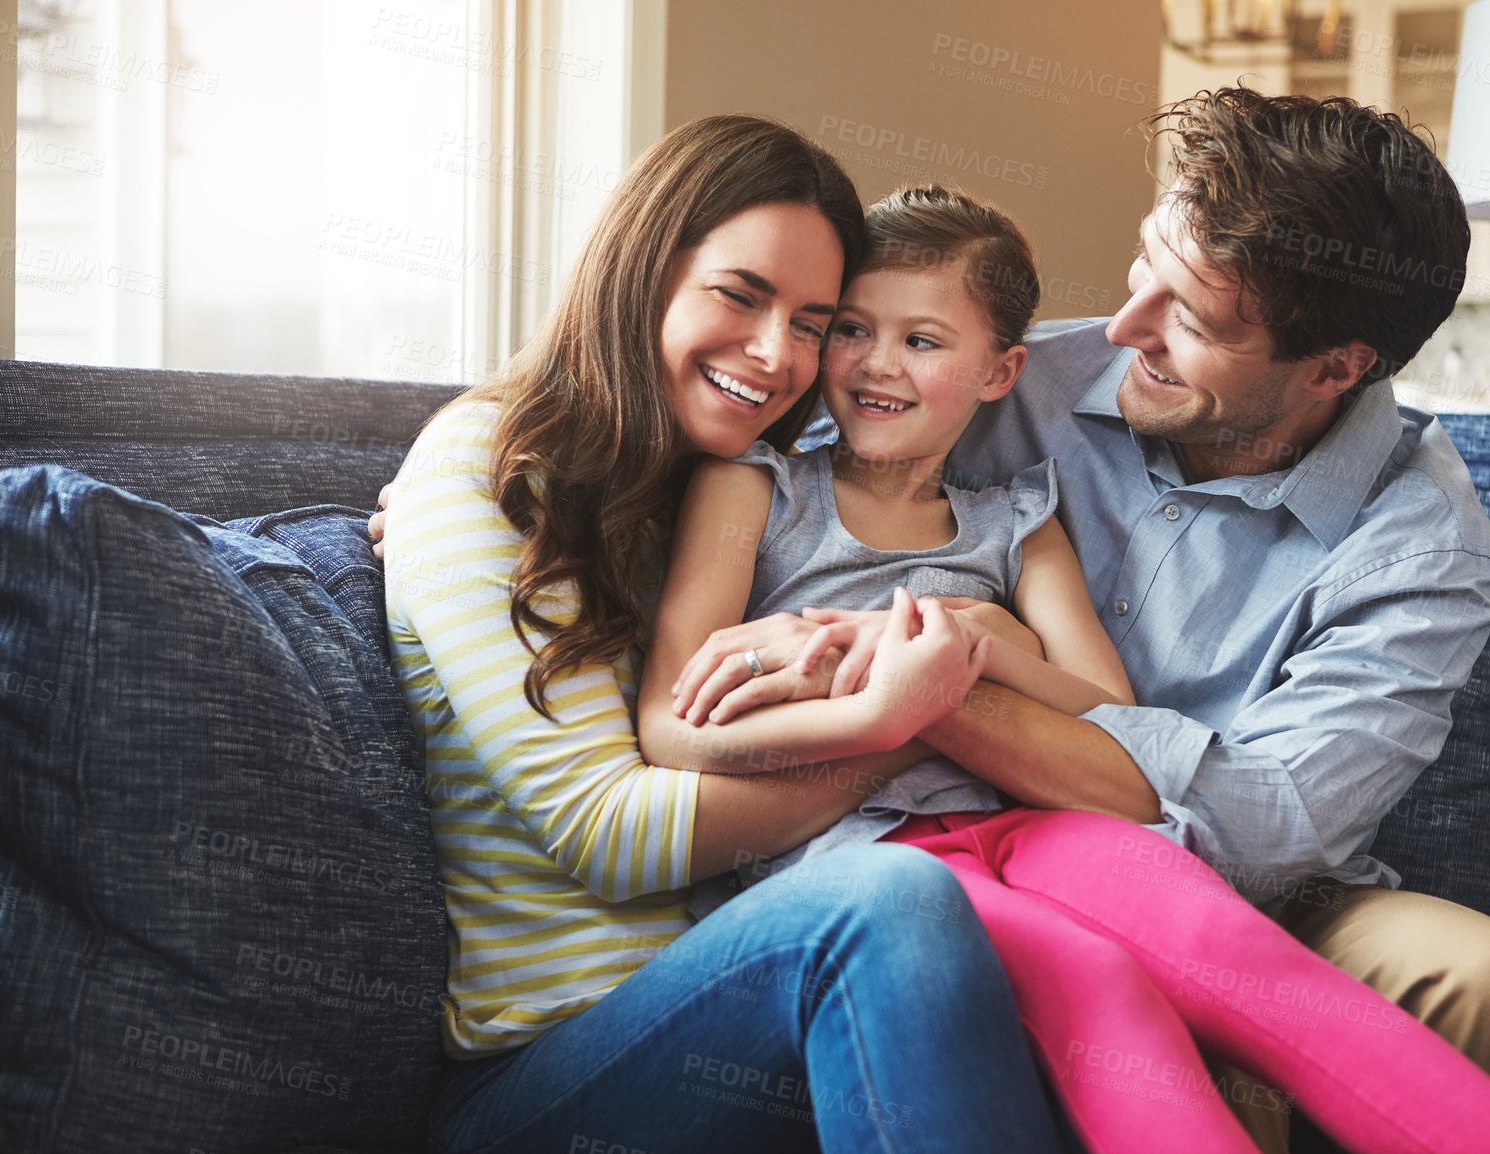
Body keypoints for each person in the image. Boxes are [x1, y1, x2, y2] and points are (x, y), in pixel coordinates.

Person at [670, 88, 1490, 1150]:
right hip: (929, 839)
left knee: (1480, 975)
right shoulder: (1000, 377)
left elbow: (1265, 827)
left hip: (1259, 886)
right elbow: (782, 454)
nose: (1121, 327)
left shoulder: (1422, 543)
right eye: (1146, 265)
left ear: (1337, 366)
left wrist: (926, 677)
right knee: (1089, 981)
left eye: (1189, 320)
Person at [376, 114, 1068, 1153]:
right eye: (741, 296)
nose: (774, 354)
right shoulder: (485, 465)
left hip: (735, 996)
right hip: (549, 1070)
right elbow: (603, 831)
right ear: (641, 270)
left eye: (809, 322)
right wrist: (916, 725)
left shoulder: (713, 493)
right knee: (884, 902)